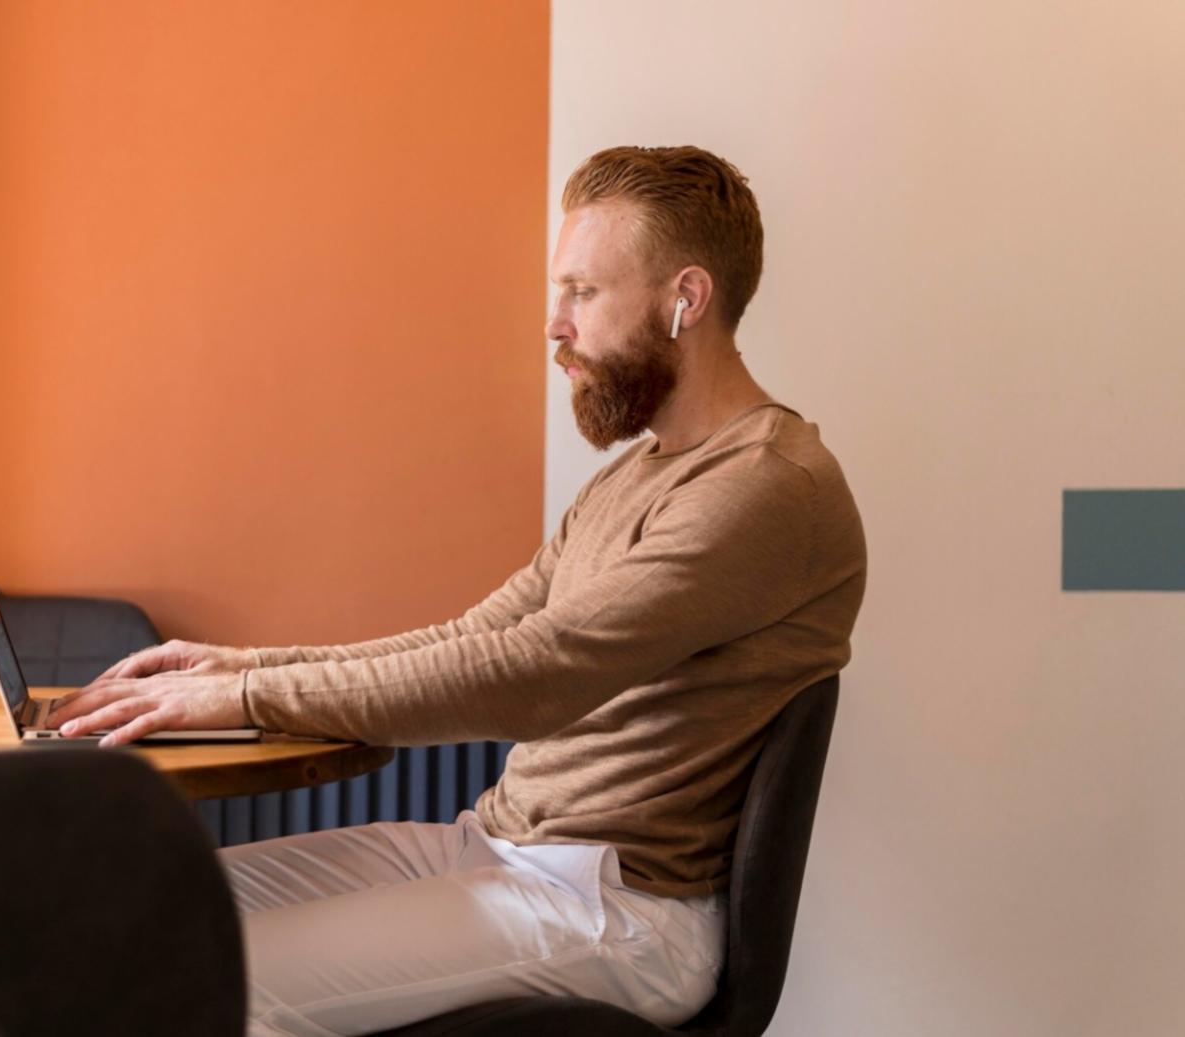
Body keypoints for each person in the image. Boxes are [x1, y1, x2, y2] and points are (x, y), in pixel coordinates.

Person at [48, 145, 867, 1036]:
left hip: (621, 909)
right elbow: (477, 636)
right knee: (140, 914)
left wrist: (246, 697)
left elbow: (536, 672)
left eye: (583, 292)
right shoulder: (635, 475)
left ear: (686, 298)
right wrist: (242, 668)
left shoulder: (765, 486)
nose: (554, 325)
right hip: (495, 850)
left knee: (196, 981)